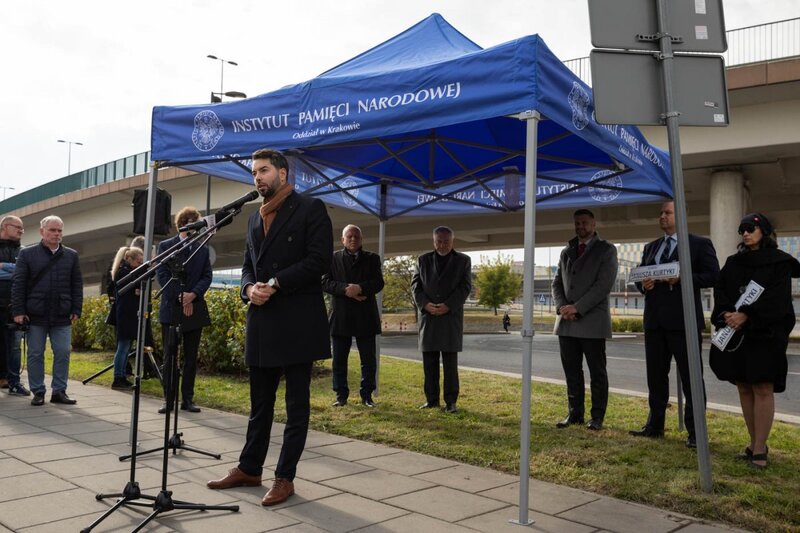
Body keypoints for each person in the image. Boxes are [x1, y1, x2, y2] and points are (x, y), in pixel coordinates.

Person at [207, 148, 332, 507]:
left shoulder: (311, 209)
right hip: (262, 319)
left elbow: (319, 261)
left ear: (282, 172)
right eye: (253, 173)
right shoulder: (251, 219)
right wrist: (248, 288)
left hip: (297, 321)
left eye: (263, 171)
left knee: (296, 407)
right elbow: (248, 266)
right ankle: (249, 468)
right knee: (259, 404)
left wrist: (275, 283)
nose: (257, 178)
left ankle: (284, 477)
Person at [709, 213, 800, 469]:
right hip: (738, 334)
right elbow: (721, 289)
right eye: (742, 229)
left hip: (765, 335)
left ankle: (760, 447)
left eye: (750, 228)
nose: (745, 233)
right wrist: (727, 313)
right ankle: (752, 442)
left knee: (762, 387)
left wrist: (747, 315)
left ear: (764, 231)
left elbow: (778, 300)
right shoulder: (733, 262)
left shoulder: (780, 263)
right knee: (744, 386)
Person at [629, 200, 719, 448]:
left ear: (681, 216)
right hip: (654, 323)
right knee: (656, 377)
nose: (662, 216)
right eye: (660, 213)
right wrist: (643, 285)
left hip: (684, 322)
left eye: (667, 213)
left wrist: (682, 278)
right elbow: (639, 276)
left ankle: (696, 432)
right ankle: (655, 425)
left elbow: (713, 275)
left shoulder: (699, 244)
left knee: (692, 379)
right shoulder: (651, 247)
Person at [552, 209, 618, 430]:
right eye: (577, 223)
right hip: (566, 323)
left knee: (597, 372)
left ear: (594, 224)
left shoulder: (606, 250)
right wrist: (562, 307)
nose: (580, 226)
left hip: (592, 322)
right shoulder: (566, 251)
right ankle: (575, 414)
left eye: (584, 223)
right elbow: (556, 284)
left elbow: (603, 285)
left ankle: (597, 417)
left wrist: (577, 308)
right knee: (572, 371)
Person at [11, 215, 83, 406]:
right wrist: (18, 311)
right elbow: (18, 284)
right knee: (35, 353)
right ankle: (38, 391)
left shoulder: (71, 255)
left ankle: (59, 391)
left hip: (62, 313)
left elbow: (76, 284)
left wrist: (77, 308)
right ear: (42, 231)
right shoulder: (27, 254)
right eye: (52, 230)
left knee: (63, 351)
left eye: (59, 230)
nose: (56, 234)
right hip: (35, 313)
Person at [156, 207, 212, 413]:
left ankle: (187, 399)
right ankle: (168, 399)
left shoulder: (202, 249)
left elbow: (207, 276)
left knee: (191, 356)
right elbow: (161, 274)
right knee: (170, 356)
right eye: (196, 223)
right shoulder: (166, 246)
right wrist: (180, 297)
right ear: (185, 224)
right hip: (172, 308)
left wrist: (192, 295)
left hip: (195, 308)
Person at [322, 224, 384, 407]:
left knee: (368, 360)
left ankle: (367, 395)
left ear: (361, 239)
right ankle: (341, 396)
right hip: (341, 316)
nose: (353, 239)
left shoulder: (372, 259)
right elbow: (324, 282)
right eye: (349, 236)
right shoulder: (332, 259)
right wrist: (345, 289)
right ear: (342, 240)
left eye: (356, 236)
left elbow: (379, 282)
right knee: (339, 360)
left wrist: (360, 288)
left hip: (365, 315)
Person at [412, 226, 472, 413]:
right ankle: (431, 400)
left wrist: (448, 305)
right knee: (429, 363)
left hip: (450, 318)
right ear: (433, 241)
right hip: (428, 317)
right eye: (439, 241)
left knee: (450, 365)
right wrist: (425, 304)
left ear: (452, 241)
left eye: (446, 241)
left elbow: (465, 287)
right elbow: (416, 286)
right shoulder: (422, 260)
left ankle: (451, 401)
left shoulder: (463, 261)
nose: (442, 244)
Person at [0, 216, 29, 396]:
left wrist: (4, 267)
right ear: (4, 227)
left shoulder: (25, 251)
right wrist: (16, 270)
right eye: (17, 227)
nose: (20, 230)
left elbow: (25, 274)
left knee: (14, 345)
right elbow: (19, 272)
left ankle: (13, 381)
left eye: (22, 228)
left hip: (14, 305)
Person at [110, 246, 144, 389]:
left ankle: (122, 375)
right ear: (129, 259)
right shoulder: (124, 273)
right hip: (125, 315)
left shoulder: (124, 272)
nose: (139, 266)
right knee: (123, 347)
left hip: (127, 314)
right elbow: (133, 290)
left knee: (125, 347)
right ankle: (118, 377)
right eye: (138, 263)